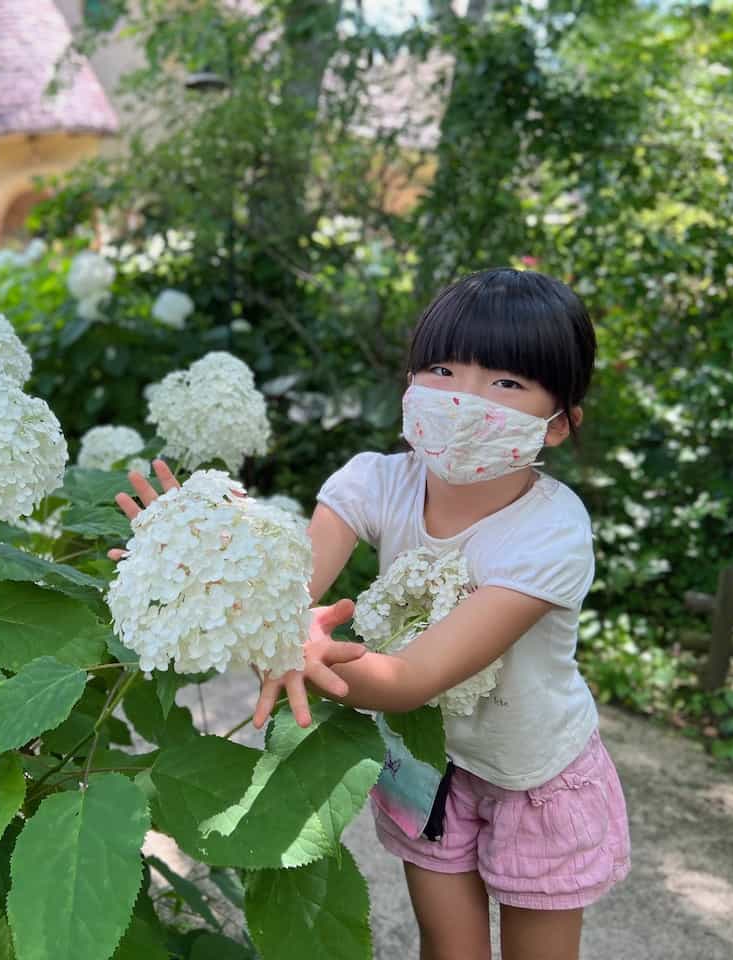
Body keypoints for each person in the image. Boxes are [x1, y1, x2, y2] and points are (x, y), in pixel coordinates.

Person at [112, 267, 630, 960]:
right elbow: (288, 583)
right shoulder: (375, 482)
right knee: (448, 946)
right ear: (410, 384)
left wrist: (300, 653)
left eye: (506, 382)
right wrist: (197, 557)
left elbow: (413, 678)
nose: (464, 398)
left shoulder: (551, 534)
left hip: (536, 776)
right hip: (426, 765)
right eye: (442, 370)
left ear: (560, 423)